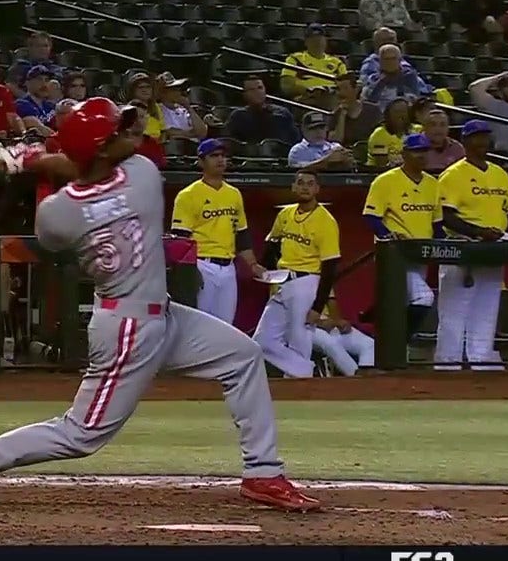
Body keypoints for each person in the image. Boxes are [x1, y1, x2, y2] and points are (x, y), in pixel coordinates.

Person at [0, 98, 320, 512]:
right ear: (100, 150)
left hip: (157, 315)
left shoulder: (55, 215)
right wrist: (43, 157)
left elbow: (79, 181)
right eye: (117, 132)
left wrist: (31, 163)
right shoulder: (143, 176)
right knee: (81, 434)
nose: (129, 135)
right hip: (128, 330)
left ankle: (263, 472)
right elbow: (89, 168)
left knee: (243, 356)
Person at [434, 121, 508, 370]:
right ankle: (448, 362)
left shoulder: (499, 173)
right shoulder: (453, 174)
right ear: (466, 142)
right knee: (455, 308)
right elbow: (446, 216)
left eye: (485, 137)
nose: (482, 142)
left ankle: (480, 359)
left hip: (494, 247)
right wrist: (479, 232)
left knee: (487, 305)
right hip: (463, 247)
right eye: (476, 138)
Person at [252, 170, 341, 379]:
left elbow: (330, 267)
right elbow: (272, 244)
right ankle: (304, 371)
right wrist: (264, 268)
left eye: (310, 184)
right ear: (293, 187)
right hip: (283, 281)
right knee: (262, 341)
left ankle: (301, 383)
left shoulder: (326, 220)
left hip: (307, 282)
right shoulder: (285, 214)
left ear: (317, 189)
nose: (305, 187)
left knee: (299, 342)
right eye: (300, 183)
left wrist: (318, 307)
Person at [169, 139, 265, 324]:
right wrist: (188, 275)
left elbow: (241, 234)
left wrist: (253, 265)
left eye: (223, 155)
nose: (220, 159)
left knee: (225, 325)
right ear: (201, 161)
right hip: (202, 264)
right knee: (200, 324)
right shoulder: (188, 195)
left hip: (228, 267)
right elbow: (181, 240)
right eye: (214, 156)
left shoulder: (234, 194)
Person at [362, 133, 441, 342]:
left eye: (425, 151)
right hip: (396, 255)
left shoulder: (433, 183)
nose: (421, 156)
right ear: (405, 154)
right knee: (424, 298)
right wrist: (388, 236)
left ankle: (381, 334)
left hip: (421, 255)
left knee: (403, 302)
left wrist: (444, 245)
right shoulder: (385, 181)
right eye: (416, 151)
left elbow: (437, 223)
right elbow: (371, 216)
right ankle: (396, 341)